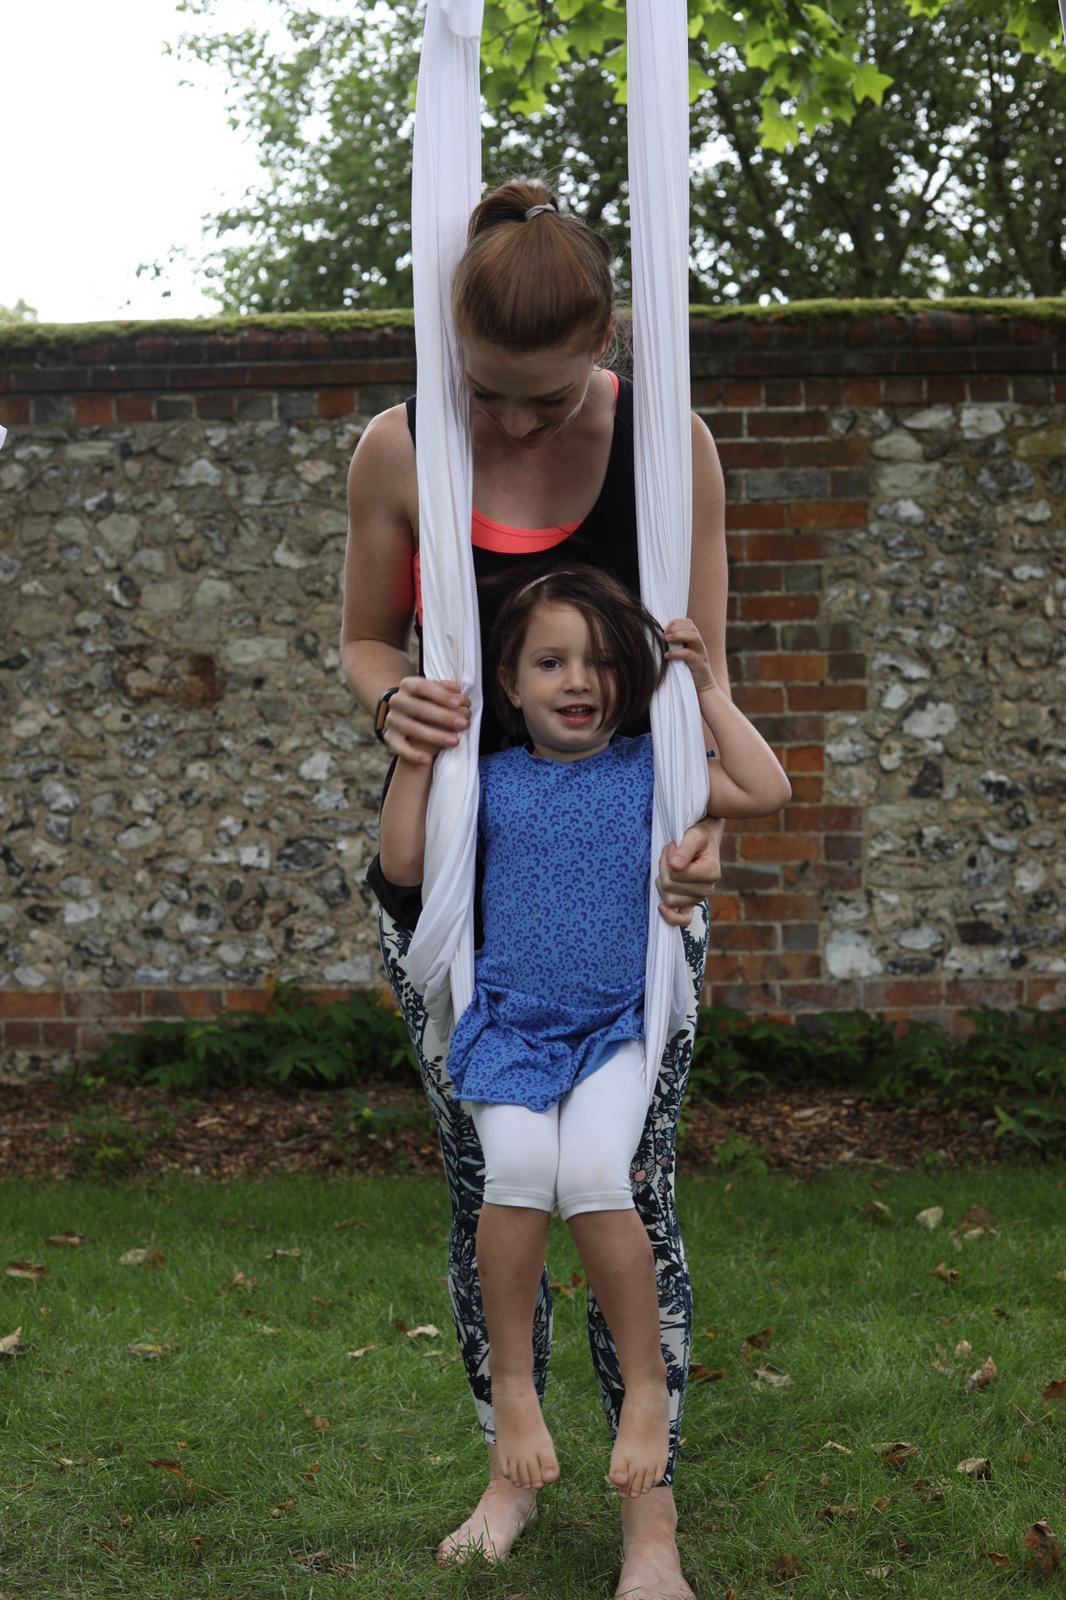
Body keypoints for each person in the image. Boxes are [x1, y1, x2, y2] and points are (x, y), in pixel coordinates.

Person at [341, 178, 729, 1600]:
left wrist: (699, 846)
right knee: (486, 1184)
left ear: (605, 344)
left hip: (630, 884)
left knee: (624, 1183)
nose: (505, 425)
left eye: (541, 397)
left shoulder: (667, 448)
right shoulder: (401, 446)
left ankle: (649, 1517)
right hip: (461, 867)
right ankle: (511, 1464)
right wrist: (396, 713)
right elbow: (367, 644)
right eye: (484, 394)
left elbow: (702, 690)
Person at [377, 566, 790, 1509]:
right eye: (551, 662)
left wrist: (708, 693)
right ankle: (516, 1390)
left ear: (632, 681)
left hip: (616, 1030)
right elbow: (404, 862)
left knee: (599, 1182)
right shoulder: (485, 781)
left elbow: (766, 789)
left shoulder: (655, 769)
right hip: (513, 1028)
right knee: (517, 1179)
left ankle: (646, 1388)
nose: (578, 681)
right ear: (510, 685)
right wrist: (418, 754)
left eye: (602, 662)